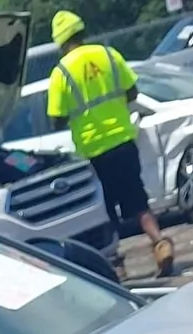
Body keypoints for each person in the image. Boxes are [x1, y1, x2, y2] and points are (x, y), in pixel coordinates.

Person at [45, 10, 174, 277]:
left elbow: (56, 119)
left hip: (94, 151)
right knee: (137, 200)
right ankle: (160, 243)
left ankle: (116, 265)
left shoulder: (61, 73)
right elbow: (132, 92)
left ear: (60, 42)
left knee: (105, 211)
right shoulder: (108, 54)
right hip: (124, 140)